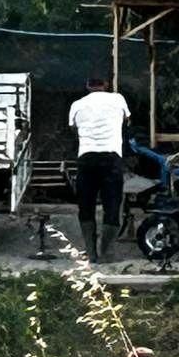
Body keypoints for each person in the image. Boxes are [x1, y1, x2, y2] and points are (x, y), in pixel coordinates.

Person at [68, 77, 130, 263]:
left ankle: (91, 252)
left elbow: (73, 128)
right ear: (106, 85)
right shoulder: (118, 99)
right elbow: (127, 120)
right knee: (112, 204)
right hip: (111, 158)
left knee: (85, 205)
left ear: (87, 86)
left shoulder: (77, 104)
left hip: (86, 158)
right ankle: (106, 253)